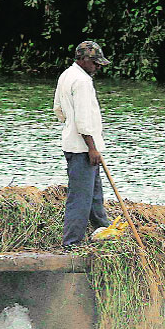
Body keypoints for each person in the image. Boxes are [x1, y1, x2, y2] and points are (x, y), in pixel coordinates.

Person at [53, 40, 112, 247]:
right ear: (83, 59)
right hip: (83, 149)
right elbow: (84, 121)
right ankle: (71, 243)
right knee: (80, 198)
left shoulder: (66, 75)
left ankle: (104, 229)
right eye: (95, 63)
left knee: (95, 194)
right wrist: (92, 148)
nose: (97, 67)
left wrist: (69, 126)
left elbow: (58, 109)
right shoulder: (82, 81)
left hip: (74, 145)